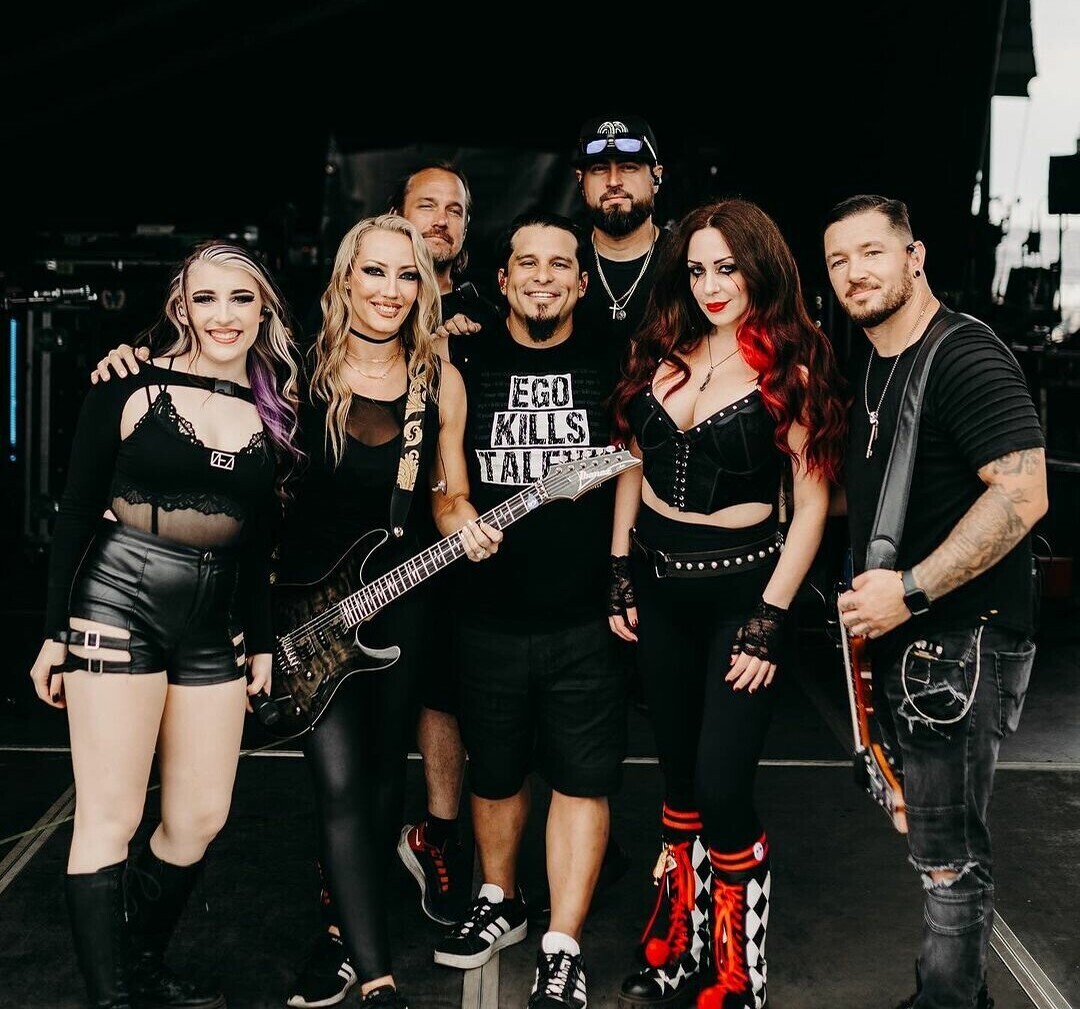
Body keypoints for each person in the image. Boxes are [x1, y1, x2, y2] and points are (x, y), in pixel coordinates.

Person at [91, 215, 501, 1009]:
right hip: (303, 611)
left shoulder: (436, 380)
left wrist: (468, 525)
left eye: (406, 275)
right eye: (374, 271)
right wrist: (126, 361)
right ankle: (379, 978)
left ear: (423, 287)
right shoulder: (292, 369)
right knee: (340, 783)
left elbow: (446, 492)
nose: (389, 290)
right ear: (345, 278)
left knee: (381, 783)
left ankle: (345, 937)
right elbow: (192, 373)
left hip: (400, 604)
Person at [30, 240, 304, 1009]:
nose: (223, 315)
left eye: (241, 298)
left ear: (264, 309)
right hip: (118, 599)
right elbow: (76, 514)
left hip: (213, 622)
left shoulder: (276, 405)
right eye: (205, 298)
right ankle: (113, 997)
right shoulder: (127, 383)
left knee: (199, 815)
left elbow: (259, 538)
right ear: (181, 306)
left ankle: (140, 963)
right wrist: (54, 632)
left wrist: (260, 641)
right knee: (110, 814)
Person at [608, 199, 848, 1009]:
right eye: (698, 269)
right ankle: (678, 943)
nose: (712, 285)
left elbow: (811, 508)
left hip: (743, 596)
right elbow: (630, 460)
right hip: (659, 587)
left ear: (760, 269)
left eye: (728, 268)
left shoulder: (791, 369)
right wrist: (618, 565)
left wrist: (770, 618)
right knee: (677, 780)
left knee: (721, 785)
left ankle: (739, 971)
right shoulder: (659, 352)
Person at [824, 195, 1047, 1009]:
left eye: (872, 252)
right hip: (921, 647)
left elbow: (1024, 495)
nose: (855, 272)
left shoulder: (964, 355)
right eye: (839, 260)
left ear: (914, 257)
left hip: (958, 641)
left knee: (949, 859)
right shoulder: (877, 362)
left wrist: (910, 590)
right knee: (931, 840)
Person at [431, 212, 625, 1009]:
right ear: (503, 279)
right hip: (487, 612)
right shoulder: (463, 359)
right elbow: (446, 481)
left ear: (581, 282)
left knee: (581, 778)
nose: (543, 276)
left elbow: (638, 465)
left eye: (560, 264)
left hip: (586, 616)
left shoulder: (615, 359)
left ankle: (563, 943)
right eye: (527, 263)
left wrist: (624, 575)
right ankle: (500, 898)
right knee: (495, 768)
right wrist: (456, 518)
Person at [386, 162, 499, 931]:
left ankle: (440, 834)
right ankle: (345, 890)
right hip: (374, 545)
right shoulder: (364, 305)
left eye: (454, 209)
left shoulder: (488, 310)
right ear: (395, 214)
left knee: (449, 693)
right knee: (372, 709)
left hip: (465, 532)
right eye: (425, 205)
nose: (440, 220)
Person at [572, 114, 675, 344]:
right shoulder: (563, 261)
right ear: (580, 181)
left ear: (656, 177)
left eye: (629, 167)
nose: (613, 181)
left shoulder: (685, 259)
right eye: (599, 168)